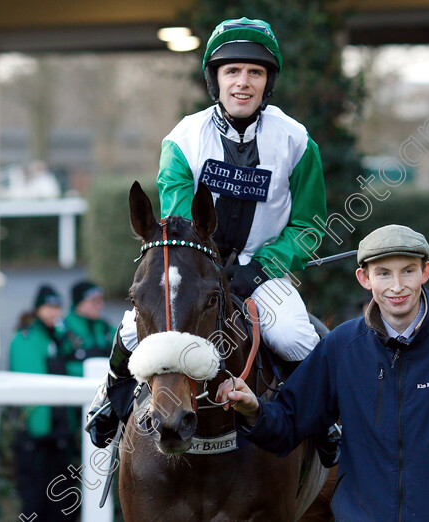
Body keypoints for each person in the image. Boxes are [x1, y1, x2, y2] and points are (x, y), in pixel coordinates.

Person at [86, 17, 327, 445]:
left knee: (294, 336)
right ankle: (109, 399)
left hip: (263, 274)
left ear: (268, 82)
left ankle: (324, 422)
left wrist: (263, 267)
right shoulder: (182, 139)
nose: (243, 82)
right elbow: (178, 223)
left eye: (255, 72)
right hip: (195, 273)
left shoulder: (298, 141)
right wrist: (207, 269)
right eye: (231, 71)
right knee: (128, 329)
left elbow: (310, 225)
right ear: (215, 80)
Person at [217, 224, 429, 521]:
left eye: (407, 271)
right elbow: (288, 423)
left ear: (425, 272)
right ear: (364, 278)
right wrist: (254, 409)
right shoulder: (342, 346)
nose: (397, 286)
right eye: (383, 273)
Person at [9, 284, 76, 521]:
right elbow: (31, 386)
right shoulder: (27, 338)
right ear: (37, 309)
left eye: (57, 307)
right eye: (49, 307)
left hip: (58, 437)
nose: (54, 312)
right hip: (37, 439)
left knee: (63, 506)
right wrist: (42, 429)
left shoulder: (58, 337)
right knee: (36, 504)